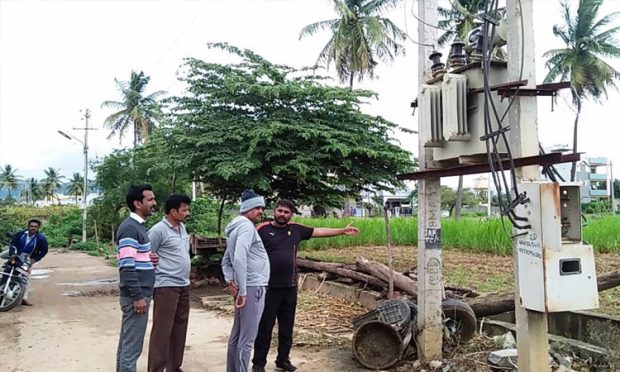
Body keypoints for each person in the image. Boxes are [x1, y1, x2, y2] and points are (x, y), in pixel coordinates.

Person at [252, 199, 359, 372]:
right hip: (268, 287)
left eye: (286, 212)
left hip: (290, 286)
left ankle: (283, 359)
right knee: (265, 326)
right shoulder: (262, 229)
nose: (282, 215)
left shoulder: (296, 229)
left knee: (287, 327)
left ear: (291, 214)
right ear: (274, 211)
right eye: (279, 211)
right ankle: (258, 363)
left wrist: (343, 230)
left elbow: (320, 231)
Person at [222, 189, 270, 372]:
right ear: (247, 208)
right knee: (247, 338)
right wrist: (242, 290)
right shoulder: (246, 227)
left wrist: (230, 281)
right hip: (252, 287)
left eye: (262, 208)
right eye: (257, 207)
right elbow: (239, 258)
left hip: (246, 286)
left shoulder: (236, 227)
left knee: (237, 335)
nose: (261, 211)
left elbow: (226, 261)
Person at [147, 194, 192, 372]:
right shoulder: (158, 230)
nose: (187, 213)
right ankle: (156, 368)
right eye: (184, 210)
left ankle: (174, 367)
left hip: (183, 284)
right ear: (173, 211)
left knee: (180, 327)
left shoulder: (182, 228)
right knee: (162, 330)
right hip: (166, 285)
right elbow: (146, 256)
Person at [116, 184, 157, 372]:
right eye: (150, 199)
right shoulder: (130, 229)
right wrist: (138, 297)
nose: (154, 203)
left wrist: (149, 258)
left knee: (127, 346)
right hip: (136, 296)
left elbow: (134, 259)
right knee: (131, 349)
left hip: (138, 294)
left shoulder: (137, 227)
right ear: (137, 203)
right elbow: (126, 266)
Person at [1, 219, 49, 306]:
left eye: (35, 227)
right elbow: (13, 244)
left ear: (38, 228)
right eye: (31, 226)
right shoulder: (20, 234)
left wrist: (34, 259)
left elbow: (44, 251)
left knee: (26, 277)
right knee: (3, 260)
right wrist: (12, 254)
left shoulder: (41, 238)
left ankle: (23, 298)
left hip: (27, 257)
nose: (33, 228)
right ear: (28, 226)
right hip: (15, 253)